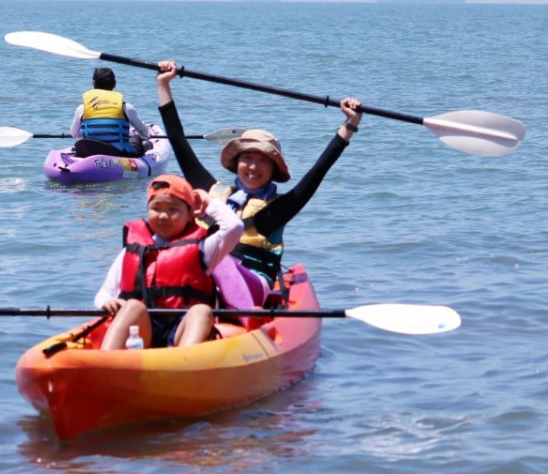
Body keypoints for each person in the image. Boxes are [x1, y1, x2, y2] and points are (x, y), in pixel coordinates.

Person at [155, 60, 363, 306]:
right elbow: (179, 142)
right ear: (237, 162)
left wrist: (350, 124)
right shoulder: (213, 192)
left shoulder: (278, 209)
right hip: (203, 282)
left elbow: (319, 170)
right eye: (247, 158)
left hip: (252, 285)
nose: (253, 167)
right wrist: (164, 84)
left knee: (222, 265)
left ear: (274, 169)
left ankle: (239, 318)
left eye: (263, 161)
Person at [94, 174, 243, 349]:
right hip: (141, 333)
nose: (163, 216)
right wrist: (106, 302)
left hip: (182, 330)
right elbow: (104, 293)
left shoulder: (204, 249)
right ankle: (106, 361)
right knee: (133, 306)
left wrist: (208, 202)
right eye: (156, 208)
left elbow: (234, 227)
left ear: (189, 215)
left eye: (173, 209)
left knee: (201, 311)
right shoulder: (133, 248)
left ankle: (184, 363)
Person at [70, 67, 155, 155]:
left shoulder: (82, 108)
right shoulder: (126, 107)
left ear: (93, 84)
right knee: (135, 138)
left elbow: (75, 134)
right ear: (114, 84)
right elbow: (145, 134)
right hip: (119, 153)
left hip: (90, 152)